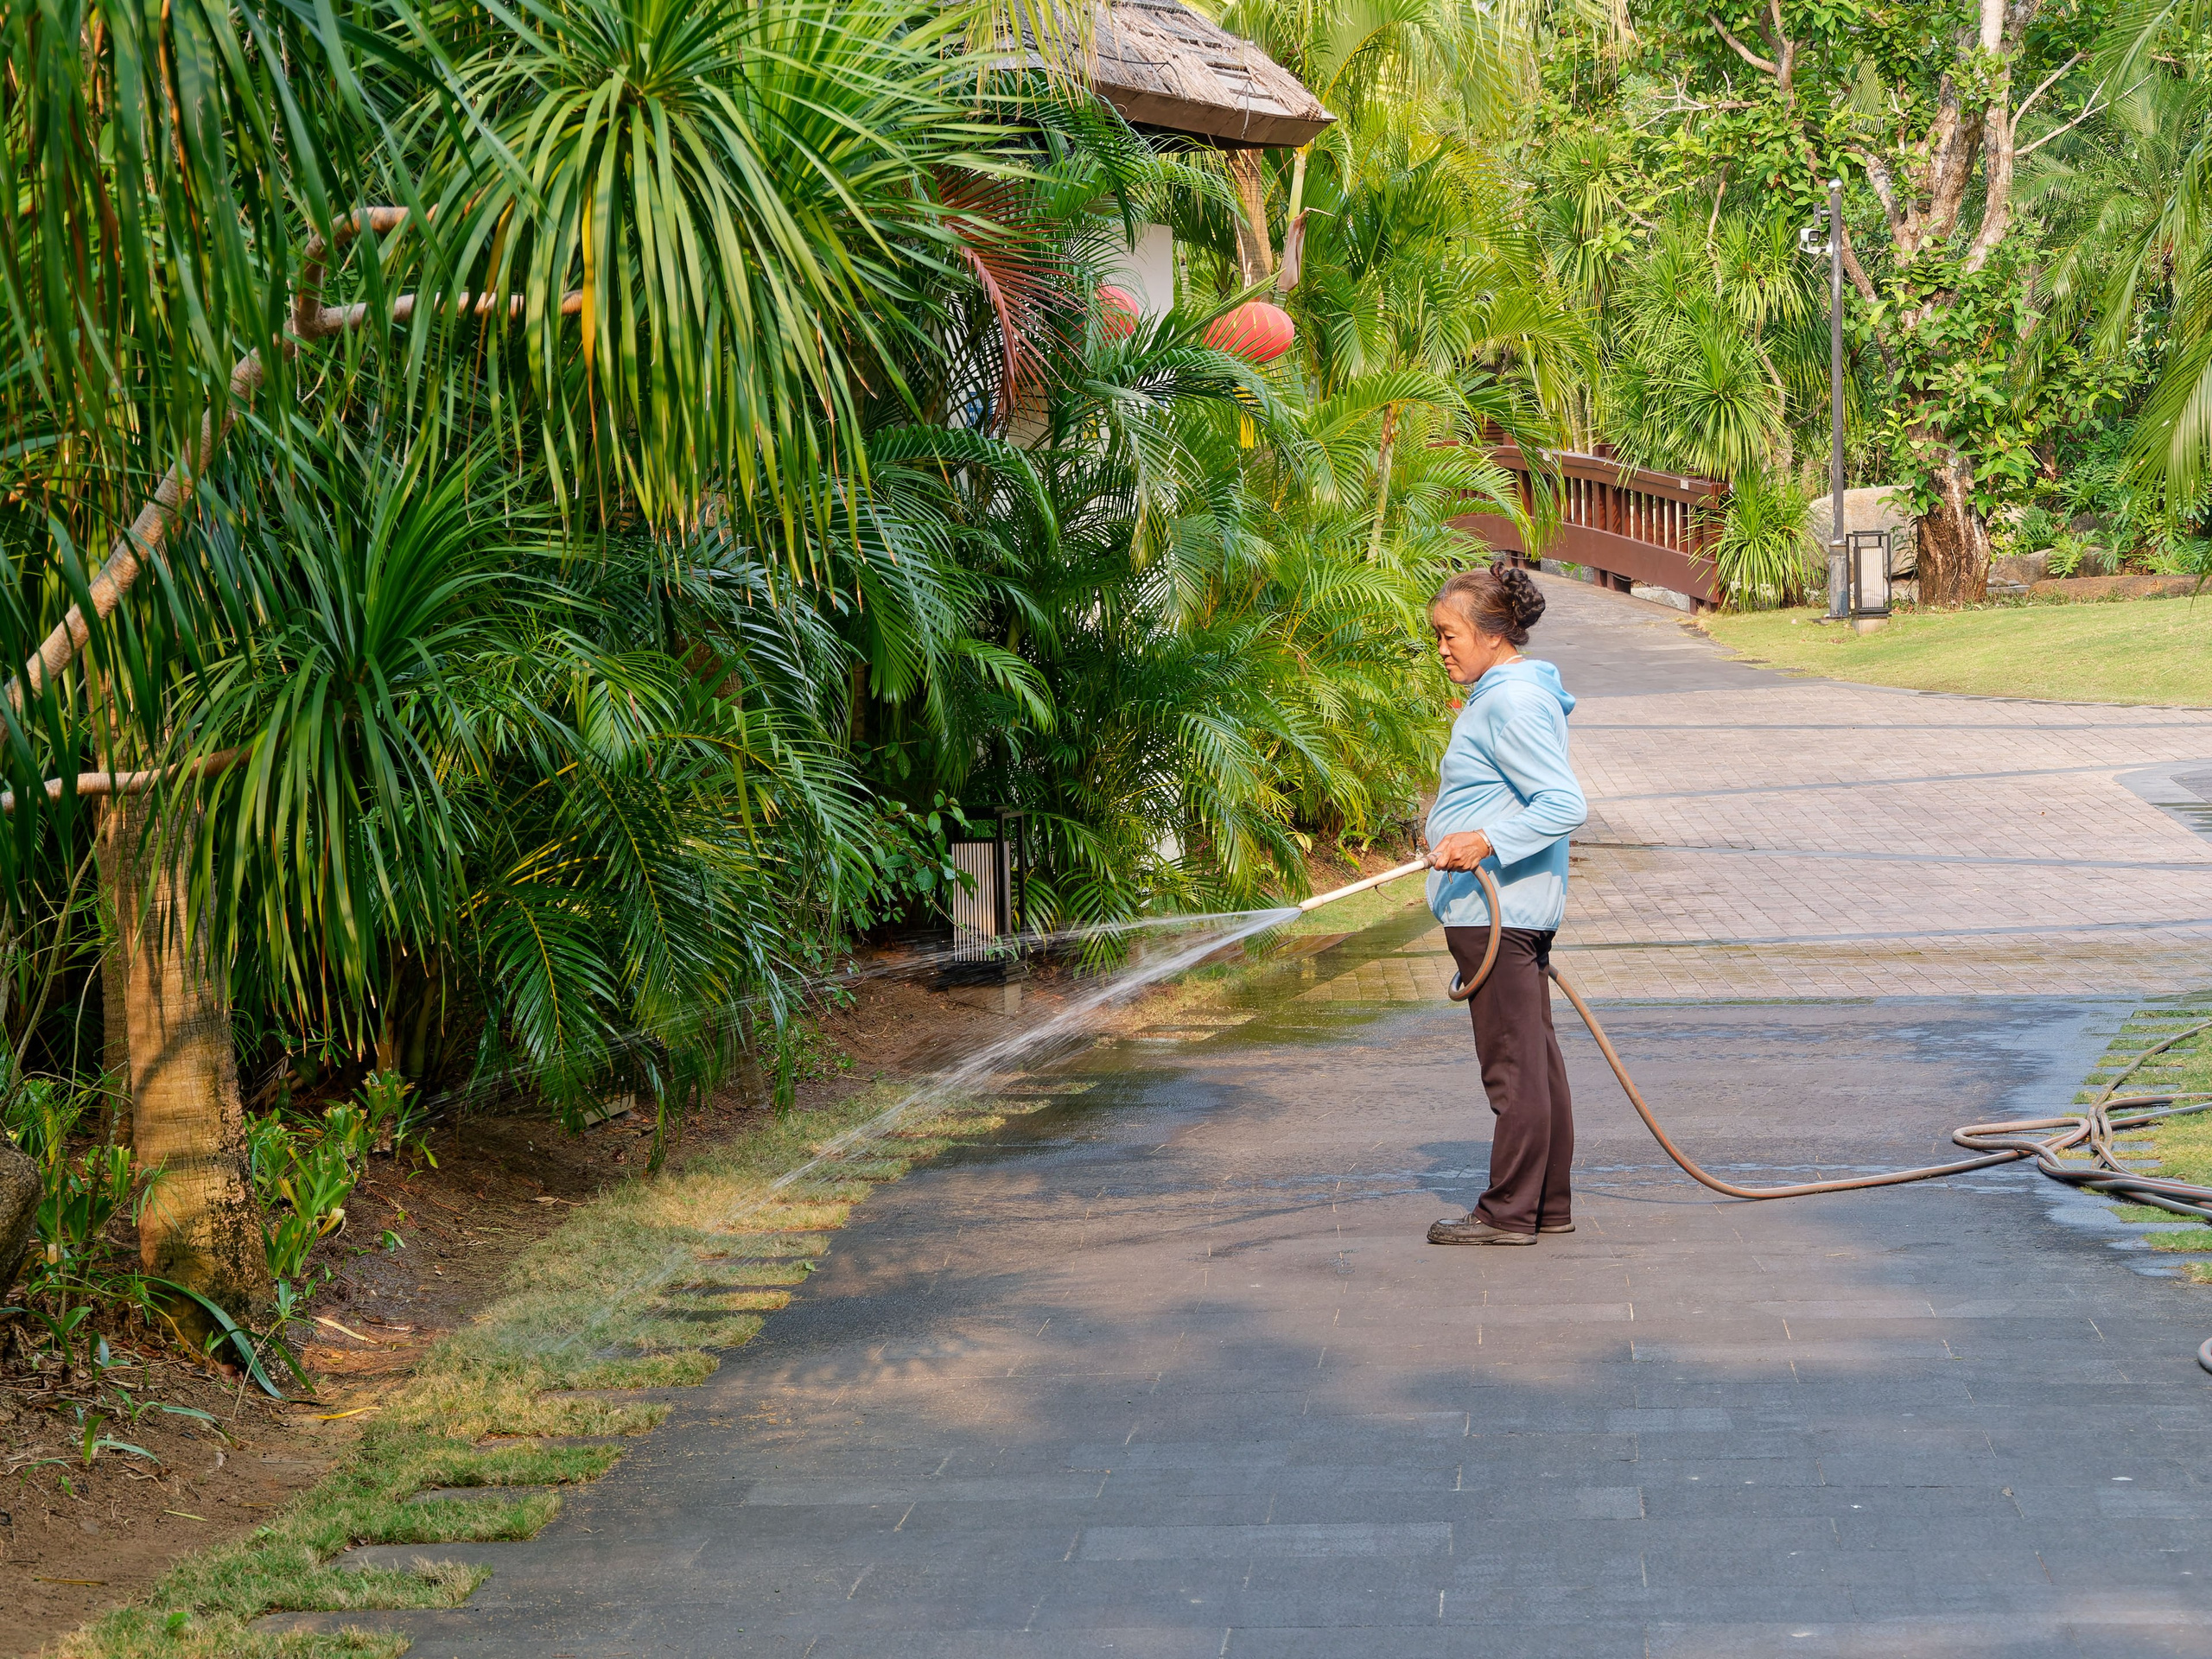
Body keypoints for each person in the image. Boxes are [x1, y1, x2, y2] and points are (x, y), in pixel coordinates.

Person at [1421, 566, 1587, 1245]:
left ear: (1492, 635)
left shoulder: (1511, 701)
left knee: (1513, 1069)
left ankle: (1507, 1213)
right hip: (1508, 911)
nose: (1442, 648)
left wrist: (1483, 839)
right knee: (1536, 1062)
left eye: (1449, 634)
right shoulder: (1512, 694)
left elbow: (1563, 804)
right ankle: (1546, 1206)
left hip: (1495, 914)